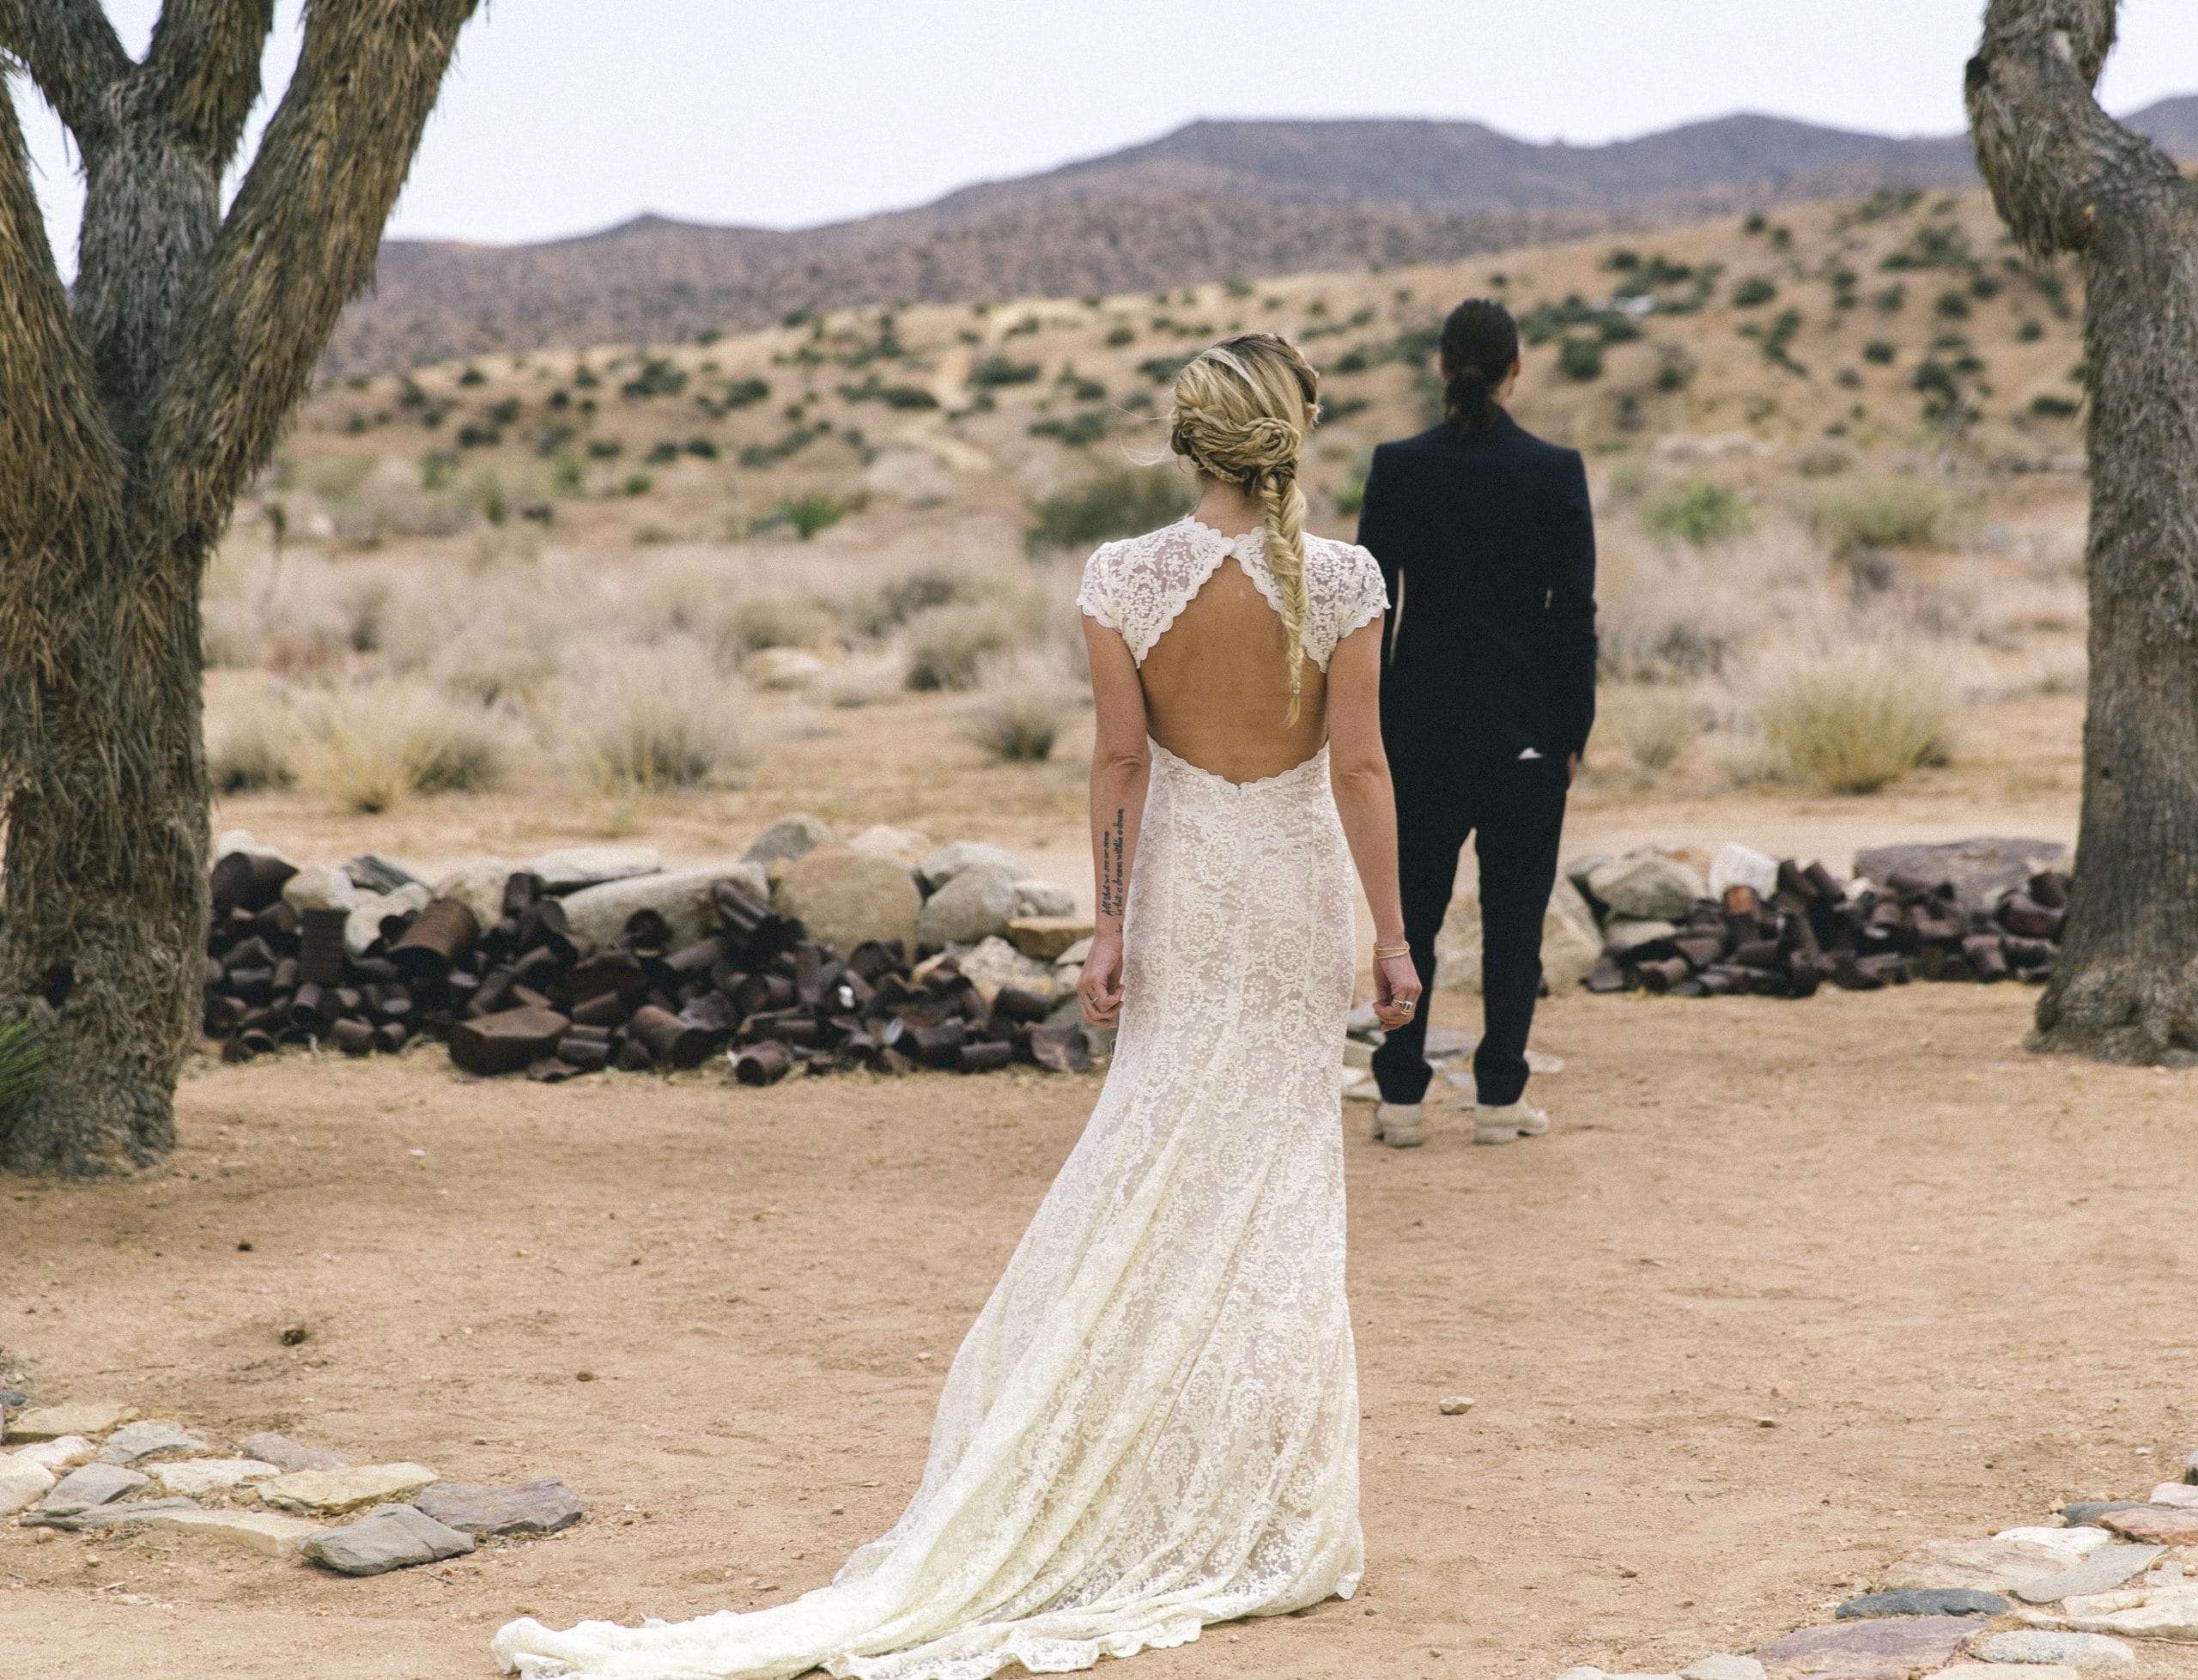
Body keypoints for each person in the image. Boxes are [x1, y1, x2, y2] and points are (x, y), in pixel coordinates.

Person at [492, 333, 1418, 1680]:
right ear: (1295, 437)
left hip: (1185, 898)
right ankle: (1258, 1500)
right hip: (1286, 903)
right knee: (1274, 1177)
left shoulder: (1122, 577)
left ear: (1186, 440)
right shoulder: (1341, 580)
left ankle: (1140, 1464)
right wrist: (1392, 934)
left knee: (1157, 1153)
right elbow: (1364, 765)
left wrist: (1109, 924)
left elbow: (1118, 762)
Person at [1356, 297, 1597, 1150]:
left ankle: (1401, 1099)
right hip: (1523, 732)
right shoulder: (1553, 471)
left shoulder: (1397, 466)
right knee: (1514, 919)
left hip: (1415, 730)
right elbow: (1574, 616)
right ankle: (1499, 1097)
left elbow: (1367, 611)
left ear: (1440, 366)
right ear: (1515, 367)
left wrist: (1368, 725)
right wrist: (1573, 732)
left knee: (1410, 916)